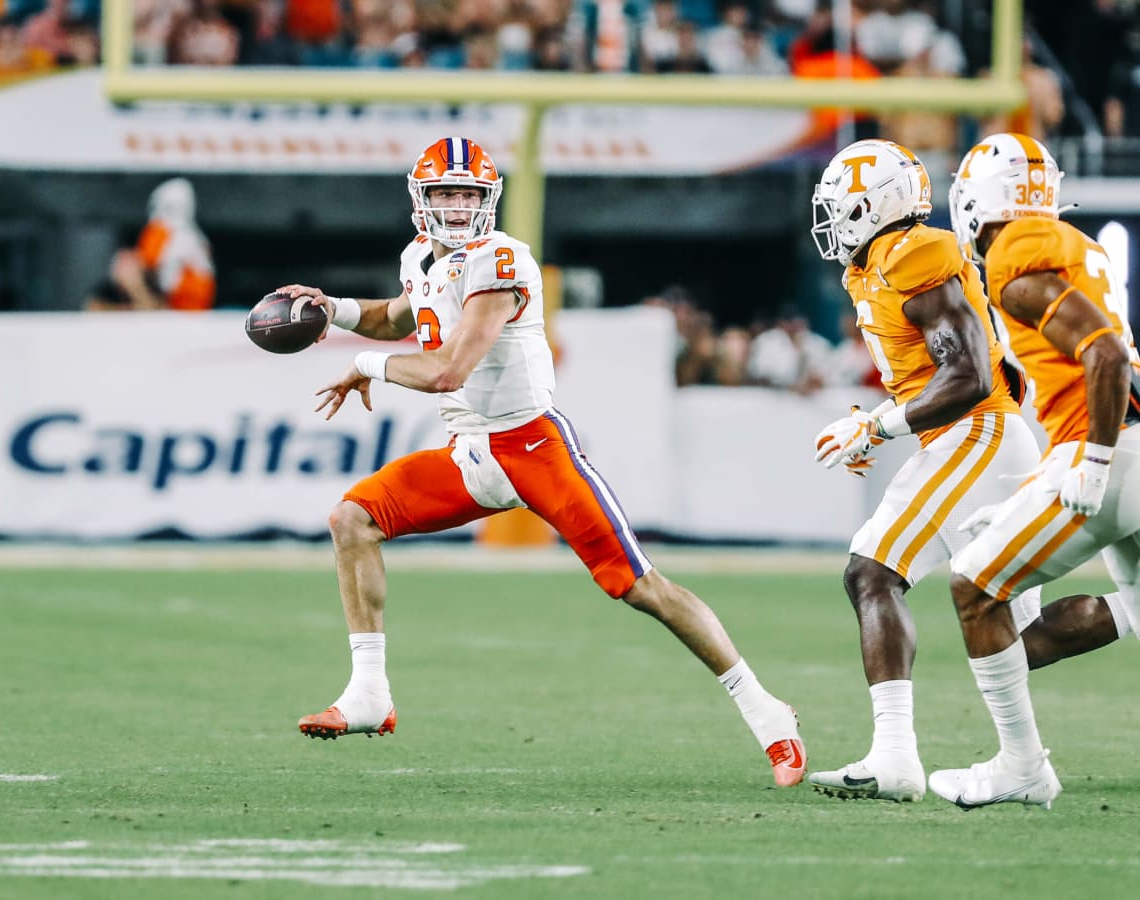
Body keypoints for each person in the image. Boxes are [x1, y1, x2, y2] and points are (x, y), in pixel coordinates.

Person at [275, 136, 807, 787]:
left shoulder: (502, 259)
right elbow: (399, 316)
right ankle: (369, 694)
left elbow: (448, 371)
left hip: (532, 447)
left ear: (488, 201)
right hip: (470, 455)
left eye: (470, 194)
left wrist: (362, 365)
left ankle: (767, 713)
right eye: (447, 192)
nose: (459, 206)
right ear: (422, 199)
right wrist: (335, 311)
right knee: (352, 520)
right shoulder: (421, 256)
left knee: (642, 588)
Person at [806, 138, 1047, 802]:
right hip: (976, 438)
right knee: (1025, 636)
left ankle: (894, 758)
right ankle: (1129, 613)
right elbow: (941, 370)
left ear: (872, 207)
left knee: (872, 569)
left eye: (840, 206)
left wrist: (875, 425)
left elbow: (968, 375)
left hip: (977, 434)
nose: (830, 220)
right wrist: (878, 421)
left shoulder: (914, 253)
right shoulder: (877, 266)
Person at [930, 132, 1140, 809]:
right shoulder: (1080, 248)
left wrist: (1093, 464)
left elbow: (1104, 355)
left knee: (975, 588)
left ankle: (1021, 767)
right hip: (1122, 442)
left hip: (1109, 454)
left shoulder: (1014, 255)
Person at [96, 177, 215, 311]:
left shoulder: (165, 231)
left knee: (129, 273)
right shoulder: (192, 236)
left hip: (178, 304)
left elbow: (147, 261)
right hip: (183, 302)